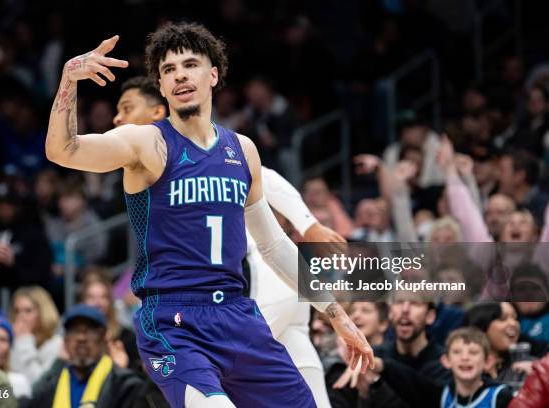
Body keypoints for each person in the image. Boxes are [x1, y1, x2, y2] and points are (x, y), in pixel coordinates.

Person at [45, 22, 373, 407]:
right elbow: (62, 150)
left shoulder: (243, 149)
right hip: (173, 319)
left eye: (190, 64)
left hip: (237, 314)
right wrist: (70, 79)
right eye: (168, 70)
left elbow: (273, 246)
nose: (180, 75)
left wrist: (337, 315)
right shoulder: (147, 142)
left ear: (213, 75)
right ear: (163, 87)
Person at [112, 75, 342, 407]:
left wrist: (308, 225)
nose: (118, 119)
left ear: (157, 114)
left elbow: (267, 177)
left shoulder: (200, 148)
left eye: (127, 108)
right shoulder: (157, 163)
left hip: (253, 287)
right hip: (275, 286)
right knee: (309, 390)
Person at [25, 304, 148, 408]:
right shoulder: (52, 383)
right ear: (65, 340)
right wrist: (58, 363)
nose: (81, 338)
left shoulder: (124, 384)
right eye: (74, 331)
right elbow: (31, 400)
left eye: (90, 331)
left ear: (103, 338)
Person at [359, 327, 513, 407]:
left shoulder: (501, 396)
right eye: (457, 352)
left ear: (488, 362)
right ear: (446, 361)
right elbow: (410, 381)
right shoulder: (442, 395)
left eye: (473, 352)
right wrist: (379, 365)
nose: (465, 357)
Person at [9, 286, 63, 385]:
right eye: (17, 311)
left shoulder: (56, 344)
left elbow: (39, 384)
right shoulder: (14, 341)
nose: (21, 317)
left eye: (28, 311)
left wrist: (24, 341)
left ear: (43, 313)